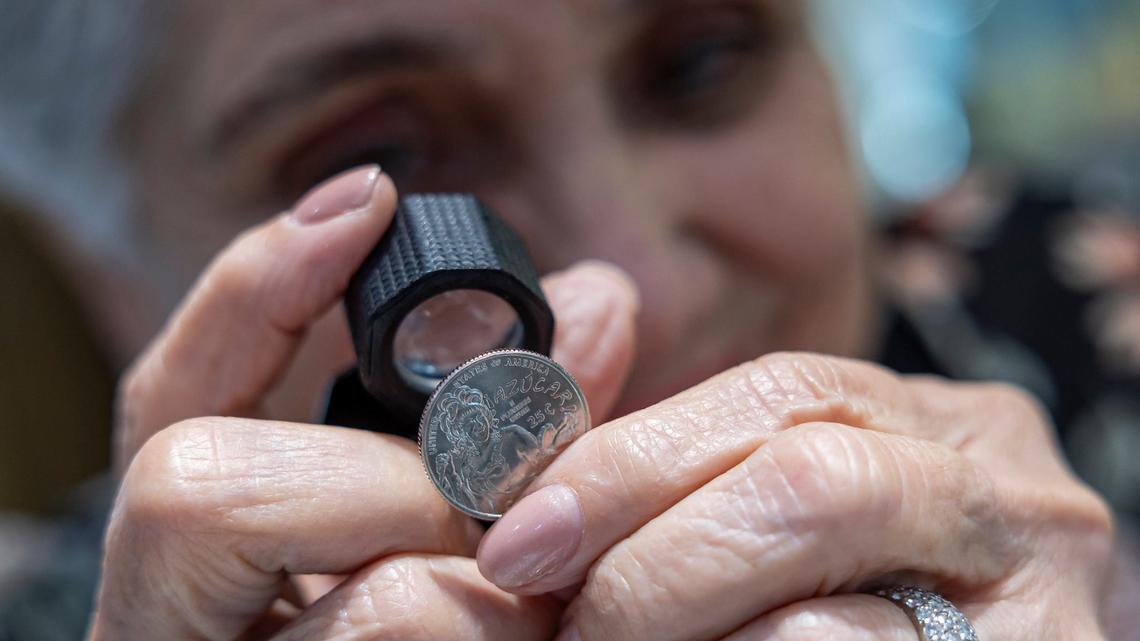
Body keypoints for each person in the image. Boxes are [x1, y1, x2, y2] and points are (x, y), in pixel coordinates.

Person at [0, 1, 1137, 640]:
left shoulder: (1105, 307)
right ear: (113, 281)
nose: (642, 279)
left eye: (699, 61)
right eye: (377, 158)